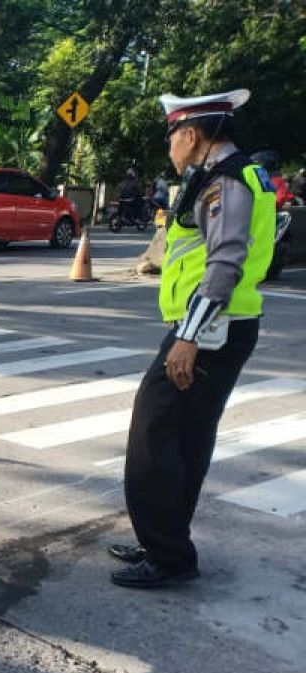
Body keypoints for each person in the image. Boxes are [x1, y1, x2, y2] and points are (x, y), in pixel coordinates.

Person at [108, 89, 276, 588]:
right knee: (185, 437)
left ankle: (168, 555)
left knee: (153, 435)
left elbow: (225, 263)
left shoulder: (225, 183)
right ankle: (166, 540)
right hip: (220, 326)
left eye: (172, 138)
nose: (170, 149)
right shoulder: (230, 175)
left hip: (209, 331)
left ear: (191, 134)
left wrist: (190, 336)